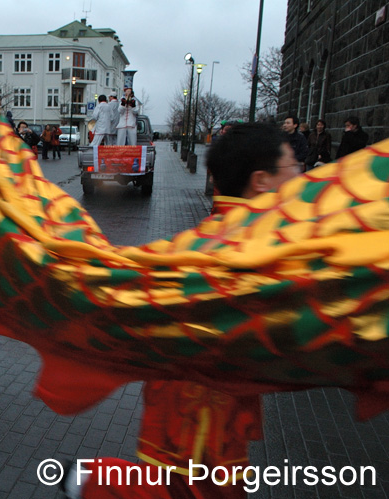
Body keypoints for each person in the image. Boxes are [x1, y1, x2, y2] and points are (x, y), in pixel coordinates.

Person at [64, 123, 301, 499]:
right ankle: (95, 480)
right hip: (197, 418)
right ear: (261, 180)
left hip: (198, 413)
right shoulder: (238, 252)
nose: (301, 176)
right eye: (292, 167)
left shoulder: (231, 241)